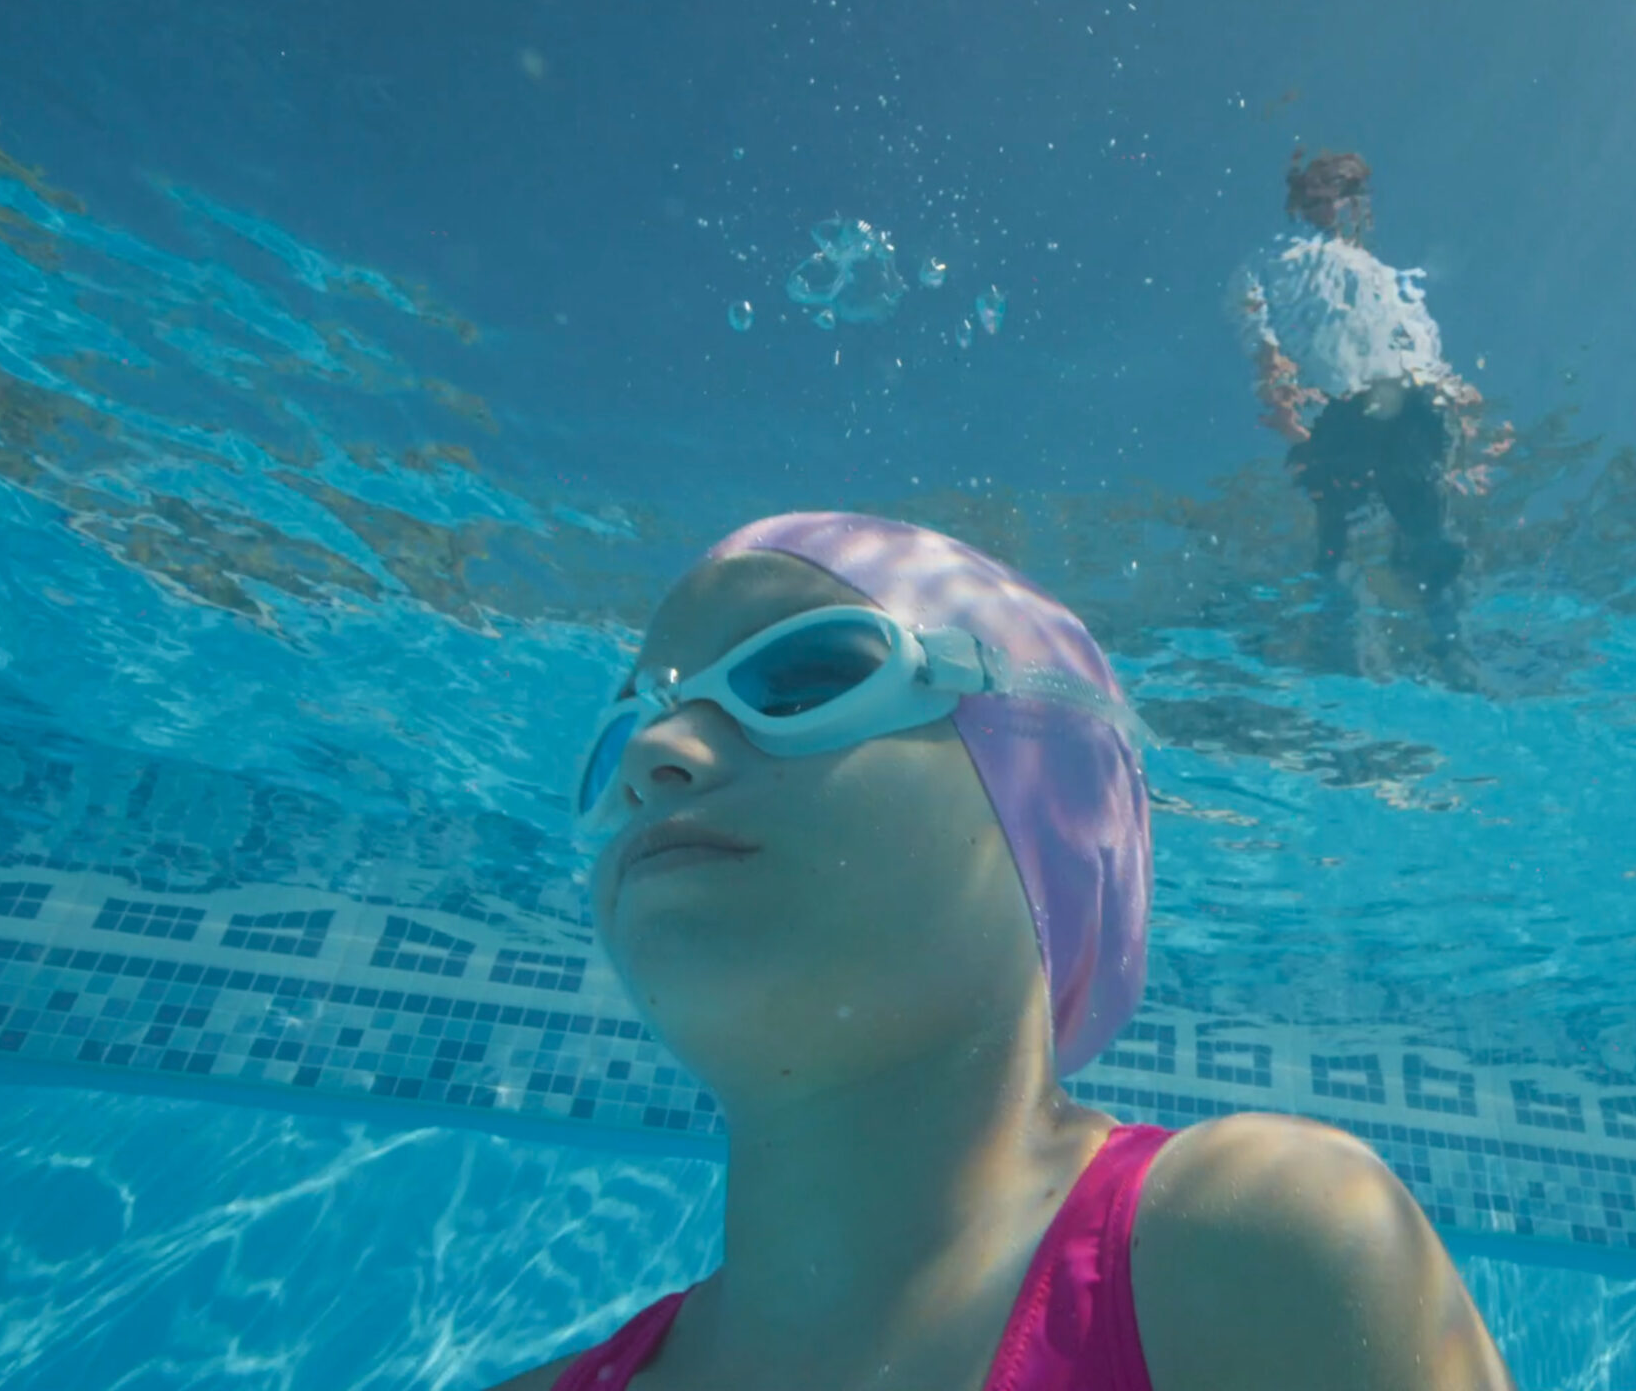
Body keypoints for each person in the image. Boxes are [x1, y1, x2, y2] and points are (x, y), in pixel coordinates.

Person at [487, 511, 1513, 1391]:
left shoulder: (1257, 1249)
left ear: (1059, 813)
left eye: (802, 678)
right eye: (631, 721)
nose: (652, 752)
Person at [1235, 149, 1512, 686]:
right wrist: (1278, 390)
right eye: (1315, 199)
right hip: (1346, 411)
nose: (1328, 209)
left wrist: (1463, 409)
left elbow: (1423, 351)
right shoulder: (1275, 259)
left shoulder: (1386, 278)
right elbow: (1256, 322)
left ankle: (1452, 650)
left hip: (1414, 407)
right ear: (1299, 204)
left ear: (1357, 204)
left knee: (1429, 530)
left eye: (1338, 197)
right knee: (1340, 533)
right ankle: (1344, 652)